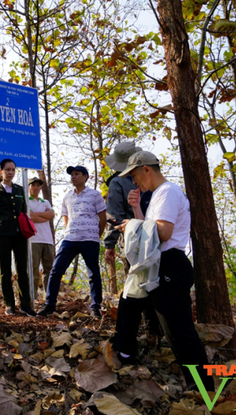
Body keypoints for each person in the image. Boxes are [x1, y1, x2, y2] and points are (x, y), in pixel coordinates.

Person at [114, 151, 214, 392]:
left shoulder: (168, 192)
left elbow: (164, 232)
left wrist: (132, 225)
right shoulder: (159, 194)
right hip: (156, 262)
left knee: (179, 331)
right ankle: (124, 355)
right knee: (129, 303)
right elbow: (150, 232)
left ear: (146, 169)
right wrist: (137, 211)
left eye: (135, 175)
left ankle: (203, 388)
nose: (134, 182)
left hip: (169, 263)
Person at [103, 141, 161, 339]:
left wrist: (110, 244)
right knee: (156, 280)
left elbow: (114, 215)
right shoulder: (151, 177)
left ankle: (146, 330)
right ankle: (157, 328)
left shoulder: (116, 182)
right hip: (157, 235)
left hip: (134, 239)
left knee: (137, 284)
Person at [37, 166, 107, 318]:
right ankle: (49, 305)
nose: (73, 177)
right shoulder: (67, 196)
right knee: (56, 271)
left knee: (93, 274)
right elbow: (65, 218)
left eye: (77, 174)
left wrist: (96, 235)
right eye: (72, 174)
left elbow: (103, 218)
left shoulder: (95, 195)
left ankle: (95, 307)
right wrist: (70, 230)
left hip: (90, 240)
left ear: (85, 176)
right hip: (70, 239)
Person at [0, 159, 36, 317]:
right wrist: (0, 226)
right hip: (3, 234)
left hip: (20, 234)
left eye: (13, 170)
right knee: (5, 270)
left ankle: (25, 305)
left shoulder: (20, 190)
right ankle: (9, 304)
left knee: (23, 270)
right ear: (0, 171)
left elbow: (23, 211)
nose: (10, 172)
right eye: (7, 169)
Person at [27, 177, 55, 298]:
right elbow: (30, 218)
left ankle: (48, 296)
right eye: (33, 185)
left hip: (48, 239)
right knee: (33, 268)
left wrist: (35, 214)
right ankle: (32, 296)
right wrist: (45, 216)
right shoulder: (26, 202)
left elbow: (52, 214)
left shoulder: (46, 202)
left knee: (49, 268)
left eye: (38, 185)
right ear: (29, 187)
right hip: (33, 239)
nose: (36, 188)